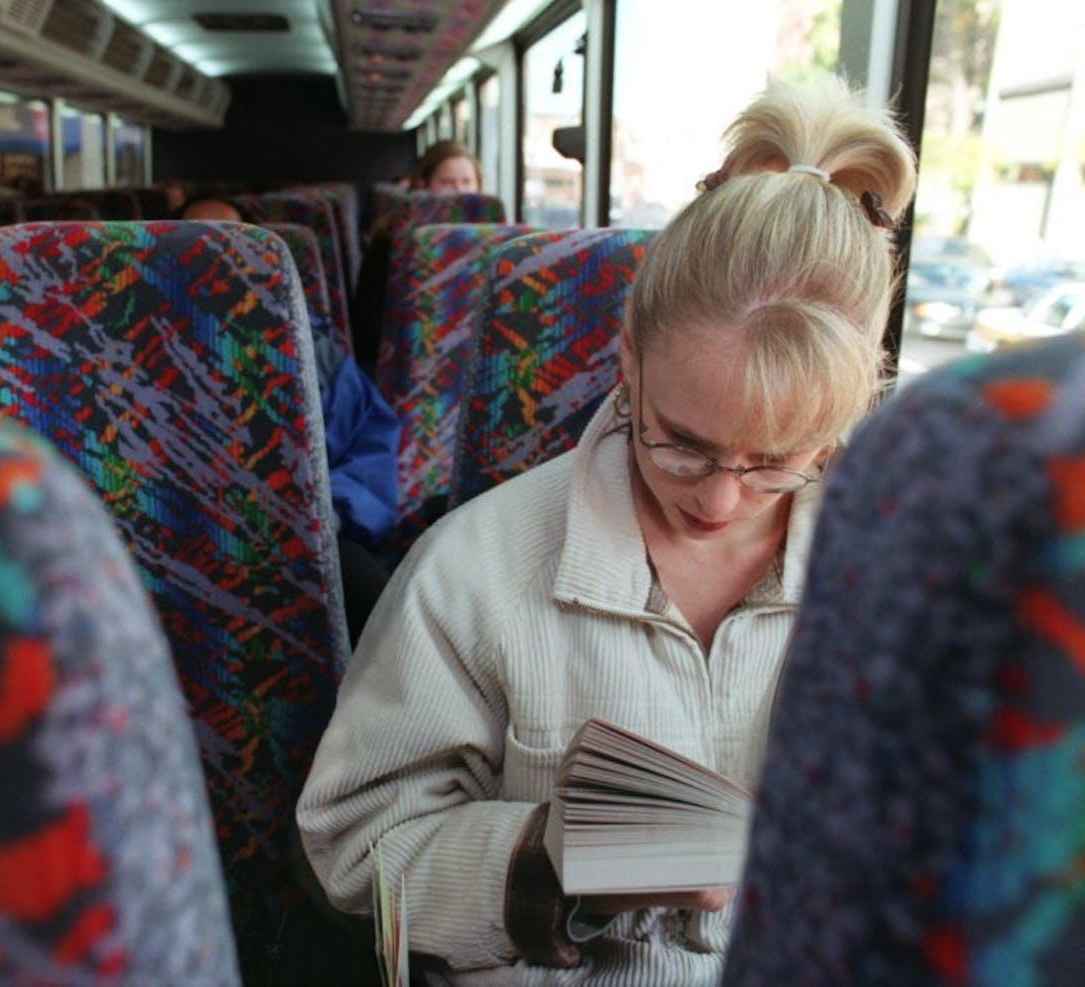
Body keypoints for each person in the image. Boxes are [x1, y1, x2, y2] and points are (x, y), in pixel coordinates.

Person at [297, 76, 917, 983]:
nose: (718, 503)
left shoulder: (911, 577)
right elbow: (353, 849)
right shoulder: (472, 570)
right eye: (682, 446)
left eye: (779, 462)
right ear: (627, 357)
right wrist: (547, 861)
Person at [181, 197, 400, 642]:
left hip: (301, 530)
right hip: (170, 531)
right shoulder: (122, 352)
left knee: (372, 594)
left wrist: (319, 515)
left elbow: (368, 450)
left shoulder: (309, 349)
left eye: (226, 243)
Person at [352, 140, 484, 369]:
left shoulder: (493, 243)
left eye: (466, 182)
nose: (459, 192)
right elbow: (369, 328)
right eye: (447, 182)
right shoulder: (391, 242)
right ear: (424, 185)